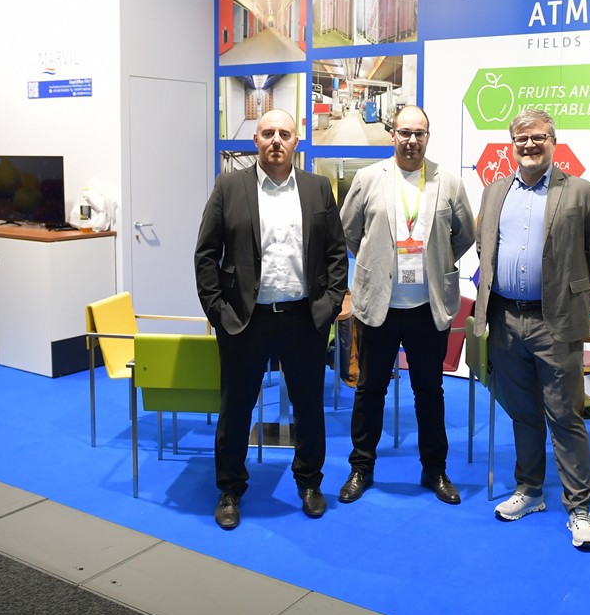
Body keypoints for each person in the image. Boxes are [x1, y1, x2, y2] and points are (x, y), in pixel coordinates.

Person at [194, 110, 348, 530]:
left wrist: (329, 304)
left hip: (303, 317)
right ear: (256, 141)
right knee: (236, 408)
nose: (276, 140)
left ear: (296, 141)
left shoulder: (318, 188)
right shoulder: (229, 187)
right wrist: (218, 311)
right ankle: (230, 488)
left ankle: (310, 483)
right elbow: (206, 255)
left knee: (309, 407)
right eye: (267, 133)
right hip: (245, 320)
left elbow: (336, 253)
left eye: (284, 133)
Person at [472, 108, 590, 549]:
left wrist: (570, 292)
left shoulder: (580, 192)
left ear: (553, 142)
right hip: (504, 320)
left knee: (564, 416)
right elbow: (483, 246)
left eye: (538, 138)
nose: (530, 145)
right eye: (522, 139)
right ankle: (530, 490)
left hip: (555, 322)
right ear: (512, 145)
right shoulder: (495, 191)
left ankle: (579, 508)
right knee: (523, 413)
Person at [338, 105, 476, 505]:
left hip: (427, 307)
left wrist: (435, 261)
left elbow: (465, 234)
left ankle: (435, 471)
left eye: (419, 133)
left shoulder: (449, 182)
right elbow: (349, 231)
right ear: (392, 135)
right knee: (370, 390)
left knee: (429, 391)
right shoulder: (368, 179)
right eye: (404, 133)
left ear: (427, 137)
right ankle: (361, 468)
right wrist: (378, 260)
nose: (411, 140)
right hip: (378, 305)